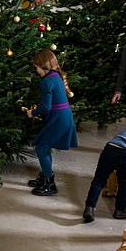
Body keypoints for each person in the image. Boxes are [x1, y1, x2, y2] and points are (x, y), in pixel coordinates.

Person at [25, 49, 78, 196]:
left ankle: (49, 183)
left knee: (42, 148)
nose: (36, 71)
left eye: (36, 67)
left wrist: (32, 113)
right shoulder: (56, 76)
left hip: (59, 120)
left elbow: (46, 107)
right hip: (62, 117)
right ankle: (45, 176)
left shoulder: (46, 81)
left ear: (43, 66)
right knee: (44, 147)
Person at [82, 118, 126, 222]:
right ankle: (120, 210)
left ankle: (89, 207)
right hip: (125, 154)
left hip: (109, 148)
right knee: (125, 184)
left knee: (98, 181)